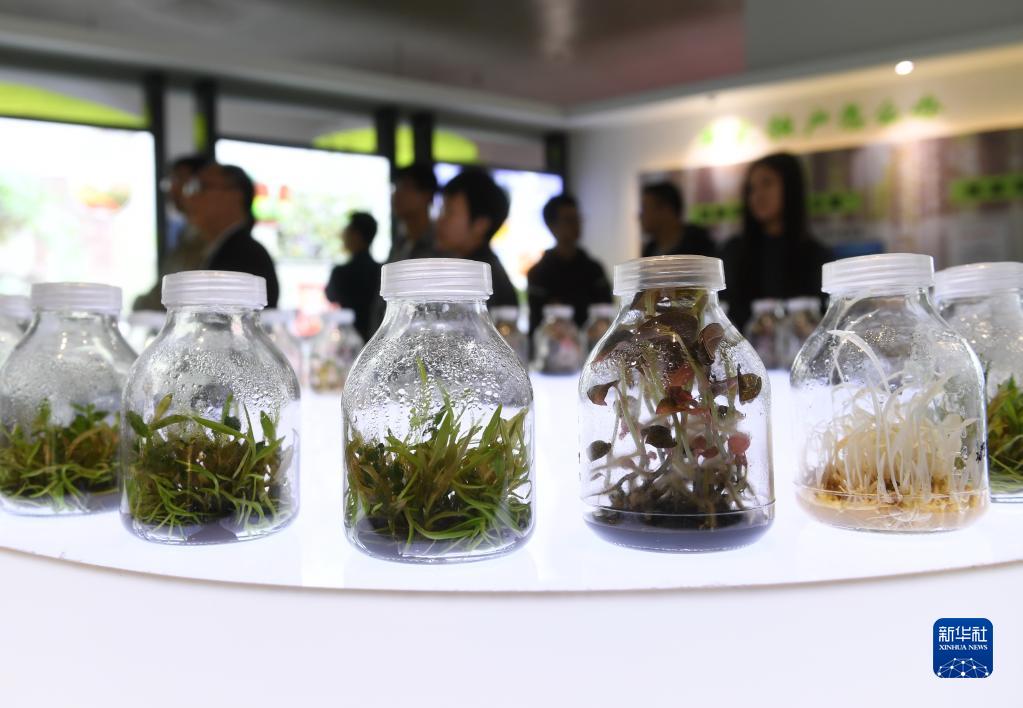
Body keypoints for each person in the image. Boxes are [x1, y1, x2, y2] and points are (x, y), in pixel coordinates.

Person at [721, 152, 833, 332]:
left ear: (791, 187)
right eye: (751, 189)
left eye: (767, 184)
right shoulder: (733, 252)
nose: (758, 195)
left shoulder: (816, 255)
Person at [186, 162, 280, 308]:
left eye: (201, 187)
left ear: (235, 196)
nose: (190, 198)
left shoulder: (246, 256)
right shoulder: (223, 249)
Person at [526, 194, 612, 336]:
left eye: (577, 218)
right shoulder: (539, 273)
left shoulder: (594, 269)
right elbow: (536, 324)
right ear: (551, 225)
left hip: (593, 344)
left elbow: (606, 314)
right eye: (568, 220)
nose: (576, 225)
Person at [133, 154, 209, 311]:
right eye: (170, 181)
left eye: (179, 181)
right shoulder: (185, 235)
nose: (171, 189)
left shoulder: (209, 239)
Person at [435, 167, 518, 309]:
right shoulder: (483, 269)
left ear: (480, 224)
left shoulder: (479, 279)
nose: (439, 220)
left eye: (449, 211)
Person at [325, 212, 382, 341]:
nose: (343, 235)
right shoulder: (381, 270)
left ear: (356, 235)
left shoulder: (340, 272)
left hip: (349, 339)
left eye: (347, 230)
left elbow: (330, 296)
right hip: (376, 336)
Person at [639, 181, 716, 258]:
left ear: (666, 210)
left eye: (645, 209)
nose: (641, 215)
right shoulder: (649, 250)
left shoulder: (699, 245)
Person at [389, 162, 440, 262]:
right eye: (396, 187)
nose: (397, 195)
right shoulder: (400, 242)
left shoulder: (440, 243)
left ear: (427, 195)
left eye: (406, 187)